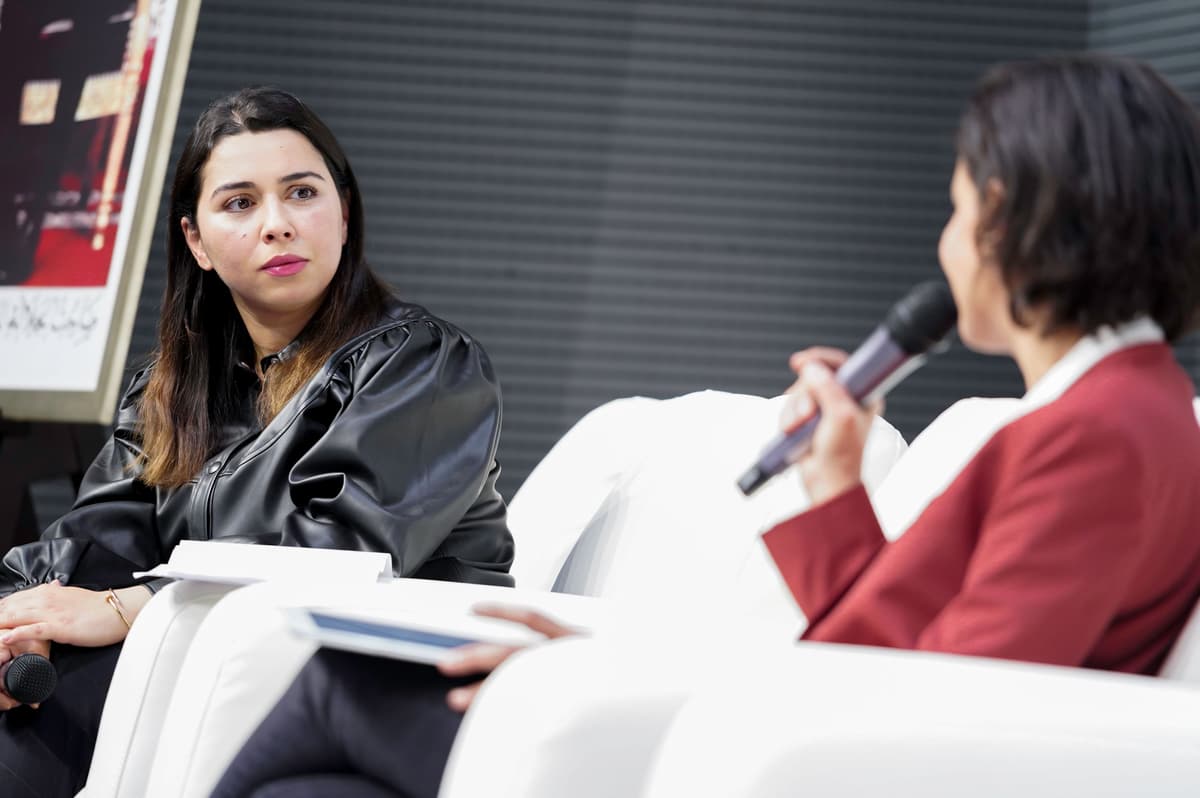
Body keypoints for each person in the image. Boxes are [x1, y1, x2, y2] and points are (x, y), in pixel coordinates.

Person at [213, 53, 1200, 798]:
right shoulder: (1116, 413)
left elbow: (948, 698)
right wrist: (836, 488)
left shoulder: (1100, 432)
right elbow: (893, 645)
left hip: (787, 760)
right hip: (797, 736)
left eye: (952, 210)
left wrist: (620, 671)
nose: (943, 249)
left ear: (1011, 219)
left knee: (345, 686)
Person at [0, 87, 516, 797]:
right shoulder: (172, 386)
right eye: (239, 203)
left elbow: (343, 551)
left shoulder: (424, 362)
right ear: (196, 242)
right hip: (213, 664)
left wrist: (127, 607)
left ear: (344, 212)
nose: (276, 224)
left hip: (376, 685)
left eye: (301, 192)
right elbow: (96, 541)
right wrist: (20, 615)